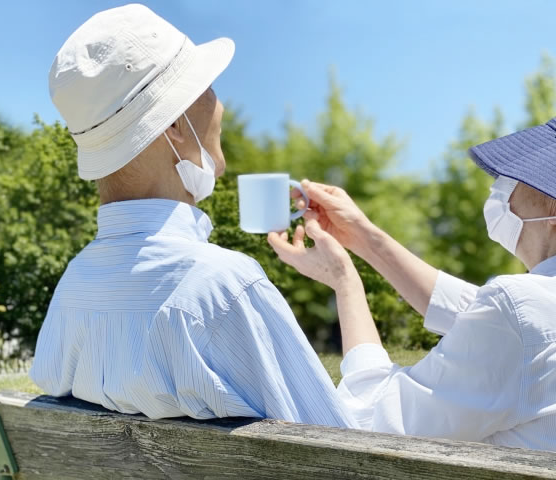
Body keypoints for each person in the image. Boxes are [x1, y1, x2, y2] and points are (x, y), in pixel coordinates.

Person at [29, 4, 356, 429]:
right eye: (206, 87)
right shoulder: (225, 288)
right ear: (174, 127)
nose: (219, 105)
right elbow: (336, 448)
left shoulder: (73, 287)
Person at [268, 82, 556, 455]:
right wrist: (364, 238)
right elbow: (479, 313)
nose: (504, 187)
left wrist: (345, 283)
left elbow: (370, 421)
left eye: (523, 176)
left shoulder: (521, 310)